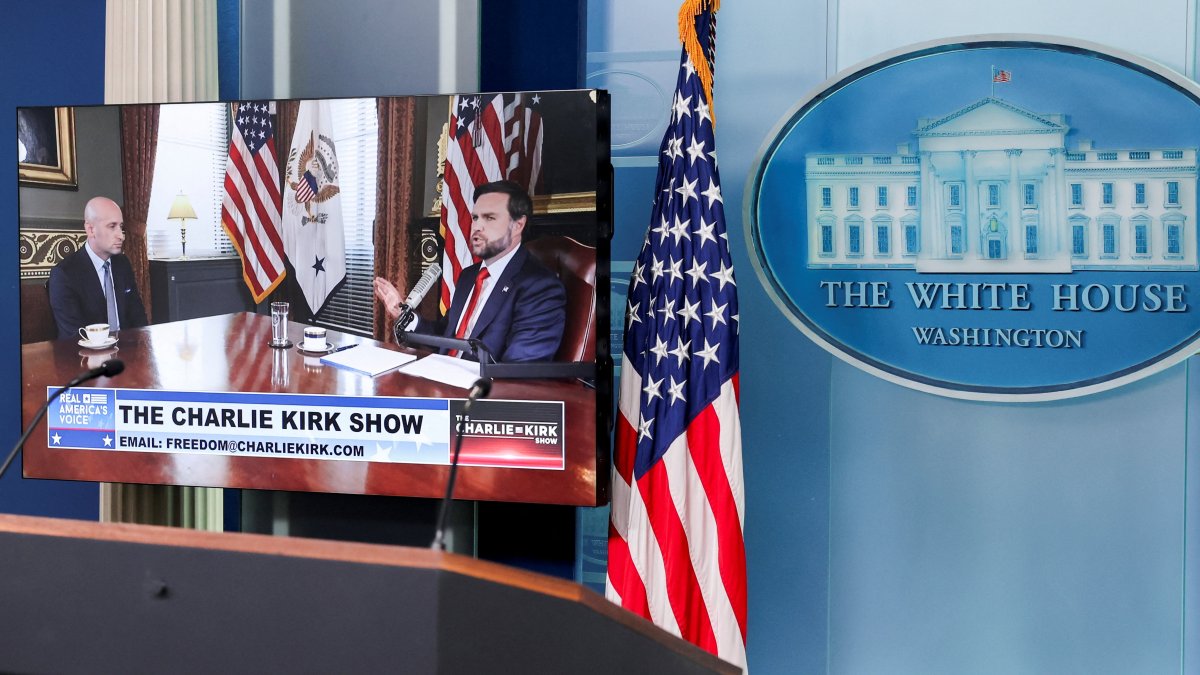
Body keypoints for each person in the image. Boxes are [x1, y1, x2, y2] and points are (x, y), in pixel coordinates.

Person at [374, 180, 566, 362]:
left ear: (518, 225)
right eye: (475, 217)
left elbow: (518, 371)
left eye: (490, 218)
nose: (477, 227)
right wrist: (403, 315)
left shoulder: (540, 287)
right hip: (440, 378)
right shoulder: (469, 276)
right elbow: (445, 336)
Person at [49, 196, 149, 340]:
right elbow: (73, 337)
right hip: (86, 358)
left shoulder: (122, 264)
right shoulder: (64, 275)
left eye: (121, 227)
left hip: (129, 352)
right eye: (112, 226)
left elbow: (139, 318)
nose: (121, 236)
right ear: (90, 230)